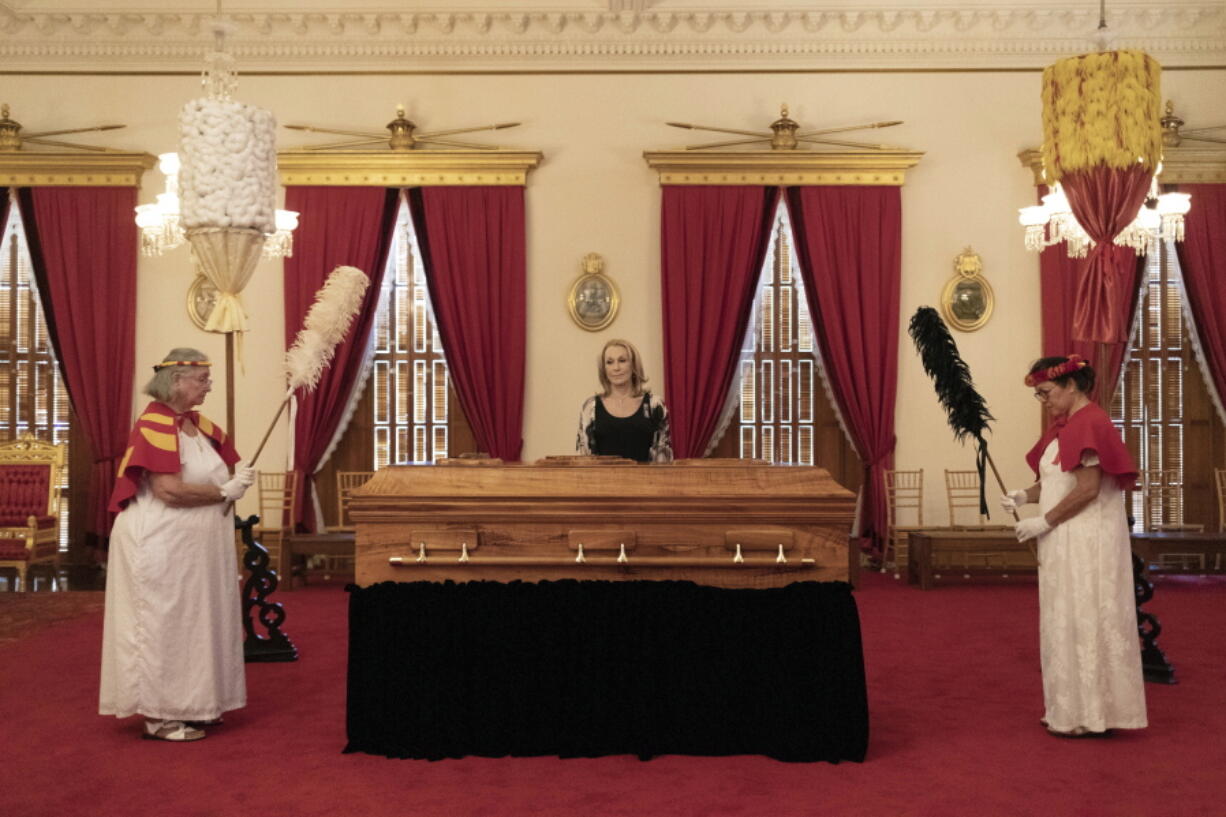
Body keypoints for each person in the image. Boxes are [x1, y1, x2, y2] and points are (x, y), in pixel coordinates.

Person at [99, 348, 256, 742]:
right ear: (176, 381)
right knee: (166, 624)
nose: (209, 386)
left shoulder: (196, 425)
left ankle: (196, 704)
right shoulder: (154, 424)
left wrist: (228, 487)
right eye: (201, 379)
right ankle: (160, 716)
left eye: (208, 378)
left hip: (193, 548)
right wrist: (223, 491)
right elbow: (168, 490)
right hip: (161, 543)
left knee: (196, 623)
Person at [1001, 354, 1147, 738]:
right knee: (1063, 618)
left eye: (1046, 392)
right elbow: (1055, 482)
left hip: (1086, 541)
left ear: (1072, 386)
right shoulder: (1063, 426)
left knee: (1085, 616)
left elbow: (1088, 489)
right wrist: (1022, 497)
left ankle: (1093, 713)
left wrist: (1043, 522)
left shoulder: (1091, 422)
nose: (1044, 401)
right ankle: (1067, 709)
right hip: (1064, 539)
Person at [576, 338, 673, 463]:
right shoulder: (590, 407)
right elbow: (584, 459)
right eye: (609, 362)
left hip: (646, 481)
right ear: (603, 369)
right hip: (602, 482)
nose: (616, 368)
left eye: (622, 361)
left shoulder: (655, 406)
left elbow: (664, 460)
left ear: (633, 365)